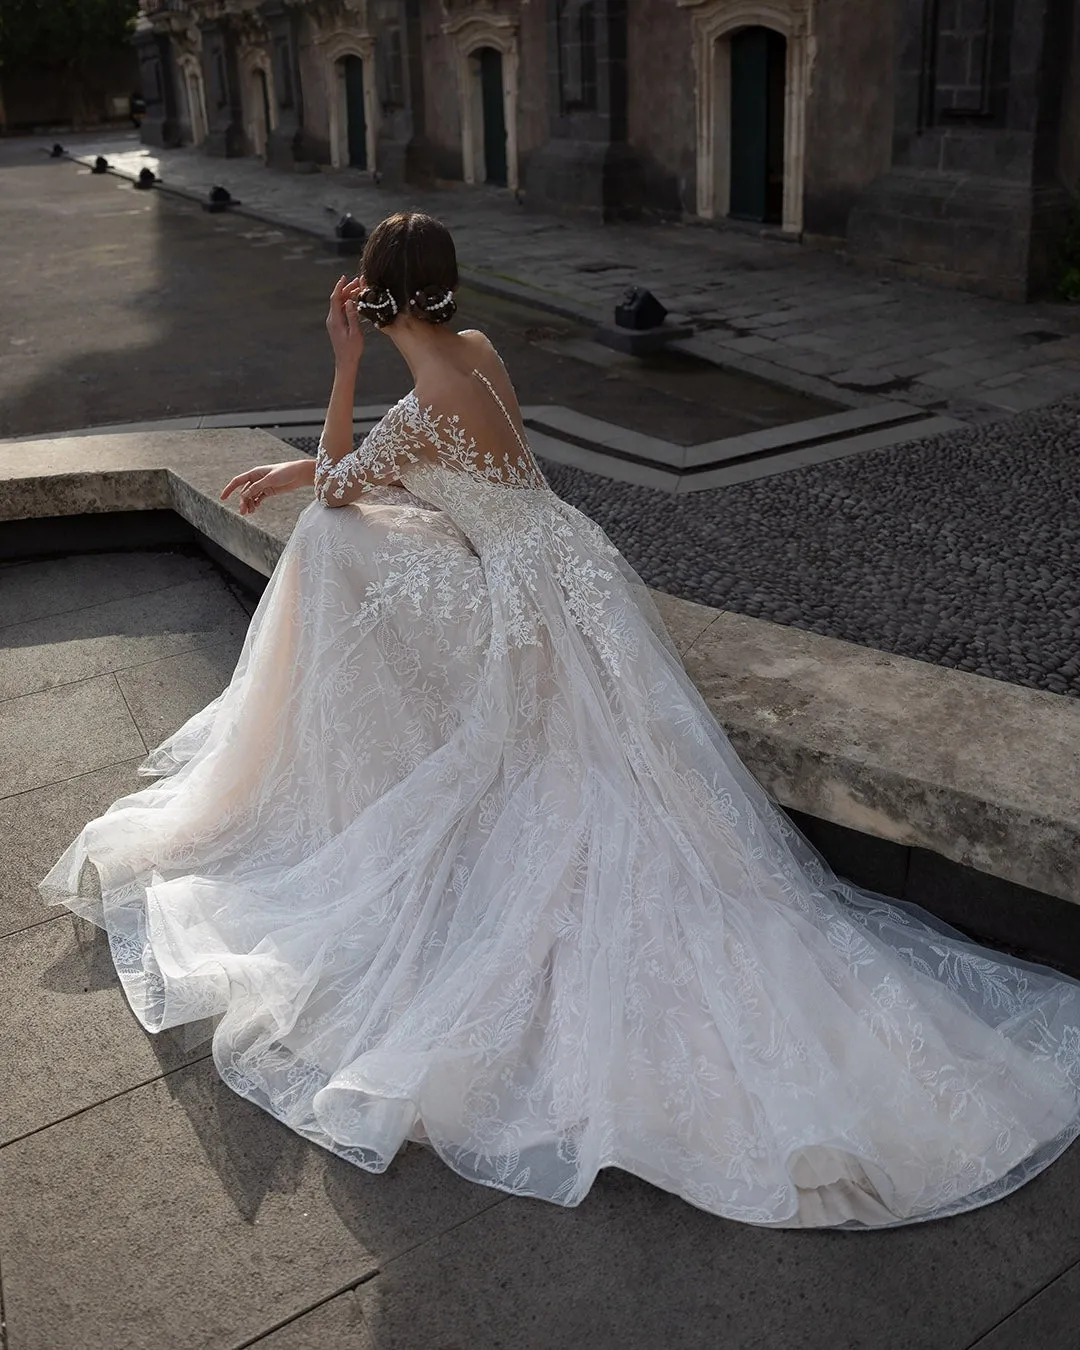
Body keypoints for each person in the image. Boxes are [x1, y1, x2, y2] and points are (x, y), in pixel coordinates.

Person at [40, 211, 1080, 1230]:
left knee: (527, 733)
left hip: (525, 598)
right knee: (636, 769)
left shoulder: (412, 412)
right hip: (575, 563)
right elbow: (447, 478)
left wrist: (343, 361)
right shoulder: (480, 350)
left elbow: (345, 492)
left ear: (370, 299)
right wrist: (301, 466)